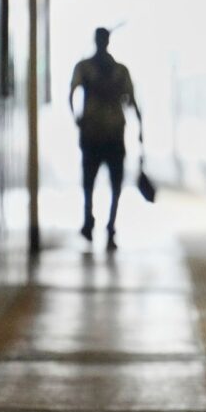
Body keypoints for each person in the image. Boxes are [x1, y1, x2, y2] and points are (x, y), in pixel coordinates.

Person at [69, 27, 142, 251]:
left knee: (89, 181)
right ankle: (110, 226)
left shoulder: (84, 68)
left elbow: (70, 94)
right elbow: (132, 102)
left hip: (91, 134)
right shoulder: (120, 71)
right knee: (115, 183)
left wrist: (78, 119)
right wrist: (141, 130)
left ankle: (89, 220)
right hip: (114, 133)